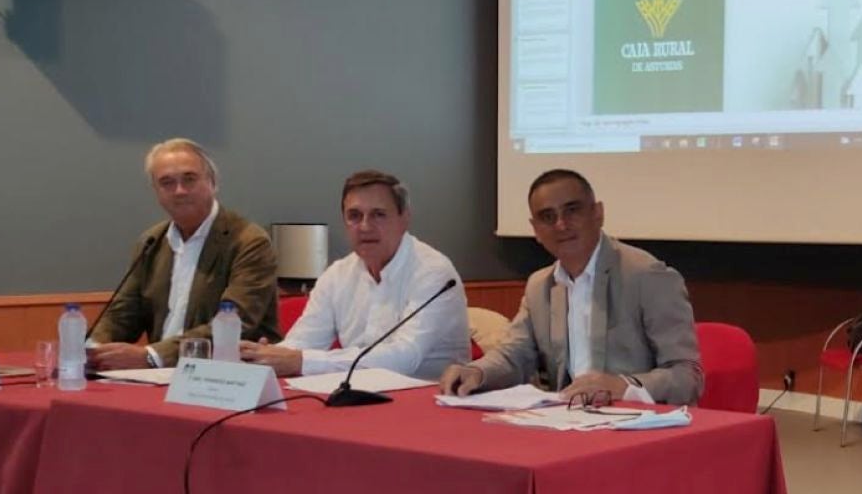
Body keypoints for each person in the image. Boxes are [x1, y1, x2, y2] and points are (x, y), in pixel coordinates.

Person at [440, 169, 703, 404]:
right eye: (547, 217)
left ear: (598, 213)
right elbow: (515, 355)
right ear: (535, 229)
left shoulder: (647, 276)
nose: (561, 225)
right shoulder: (540, 286)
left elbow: (687, 375)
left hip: (635, 423)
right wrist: (478, 371)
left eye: (572, 210)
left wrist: (623, 386)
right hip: (566, 419)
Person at [239, 169, 469, 379]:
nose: (365, 226)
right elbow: (303, 343)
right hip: (360, 396)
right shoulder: (337, 275)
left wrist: (302, 361)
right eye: (354, 216)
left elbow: (404, 358)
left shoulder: (434, 273)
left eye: (378, 215)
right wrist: (263, 357)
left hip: (429, 399)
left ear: (404, 219)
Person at [88, 138, 280, 369]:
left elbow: (236, 323)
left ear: (213, 182)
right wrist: (92, 349)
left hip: (227, 374)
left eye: (189, 179)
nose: (179, 191)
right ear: (156, 191)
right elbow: (122, 314)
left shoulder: (248, 241)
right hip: (158, 375)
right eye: (167, 182)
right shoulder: (151, 241)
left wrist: (151, 356)